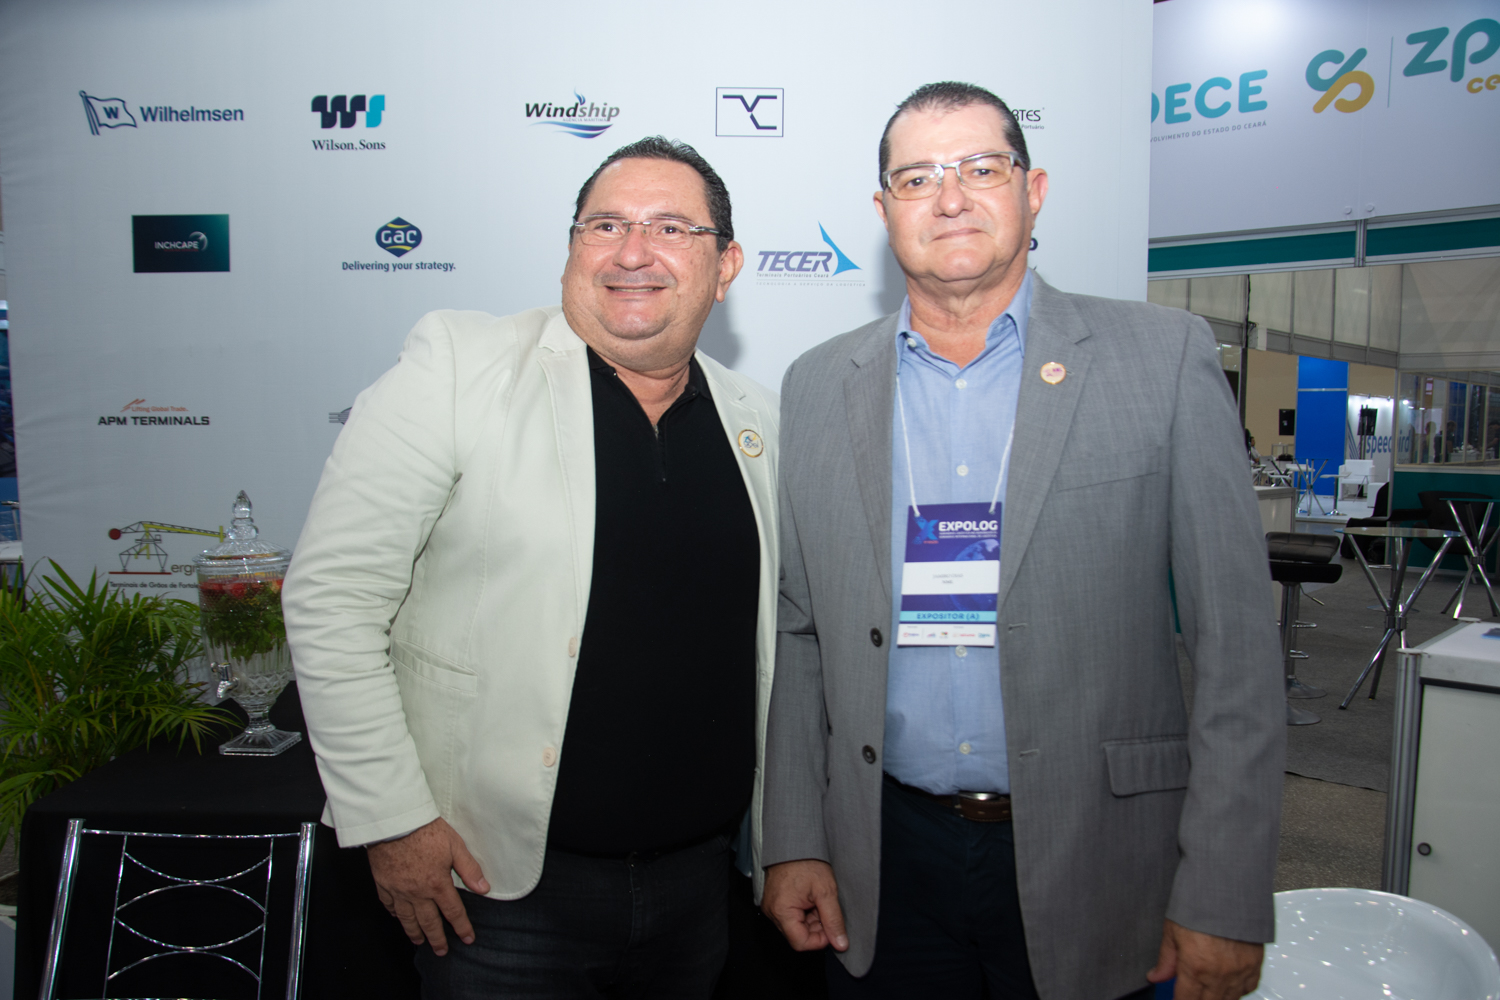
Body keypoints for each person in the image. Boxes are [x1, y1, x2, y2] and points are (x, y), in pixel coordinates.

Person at [760, 82, 1284, 1000]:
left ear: (1032, 190)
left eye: (980, 168)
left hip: (1102, 857)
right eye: (917, 177)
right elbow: (801, 634)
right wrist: (794, 838)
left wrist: (1225, 891)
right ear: (884, 212)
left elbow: (1236, 648)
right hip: (884, 863)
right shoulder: (815, 383)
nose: (949, 198)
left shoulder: (1162, 358)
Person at [283, 136, 781, 999]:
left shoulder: (761, 420)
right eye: (606, 225)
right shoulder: (460, 367)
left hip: (699, 891)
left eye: (671, 228)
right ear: (571, 250)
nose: (633, 252)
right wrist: (391, 821)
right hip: (493, 894)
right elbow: (333, 600)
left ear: (725, 265)